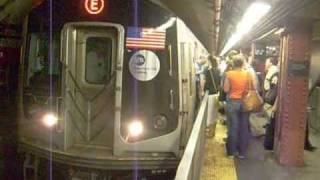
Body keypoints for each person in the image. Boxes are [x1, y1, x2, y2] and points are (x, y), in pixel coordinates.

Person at [223, 55, 253, 158]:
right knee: (244, 127)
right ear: (242, 63)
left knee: (233, 127)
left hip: (232, 102)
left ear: (233, 64)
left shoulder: (229, 74)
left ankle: (231, 152)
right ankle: (242, 153)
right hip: (244, 102)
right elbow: (249, 88)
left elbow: (226, 89)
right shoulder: (247, 74)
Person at [200, 55, 221, 137]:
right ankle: (213, 132)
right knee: (214, 114)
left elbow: (203, 80)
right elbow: (220, 83)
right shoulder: (218, 70)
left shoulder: (206, 69)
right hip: (216, 94)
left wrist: (201, 91)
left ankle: (208, 132)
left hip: (208, 94)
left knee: (208, 114)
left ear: (209, 61)